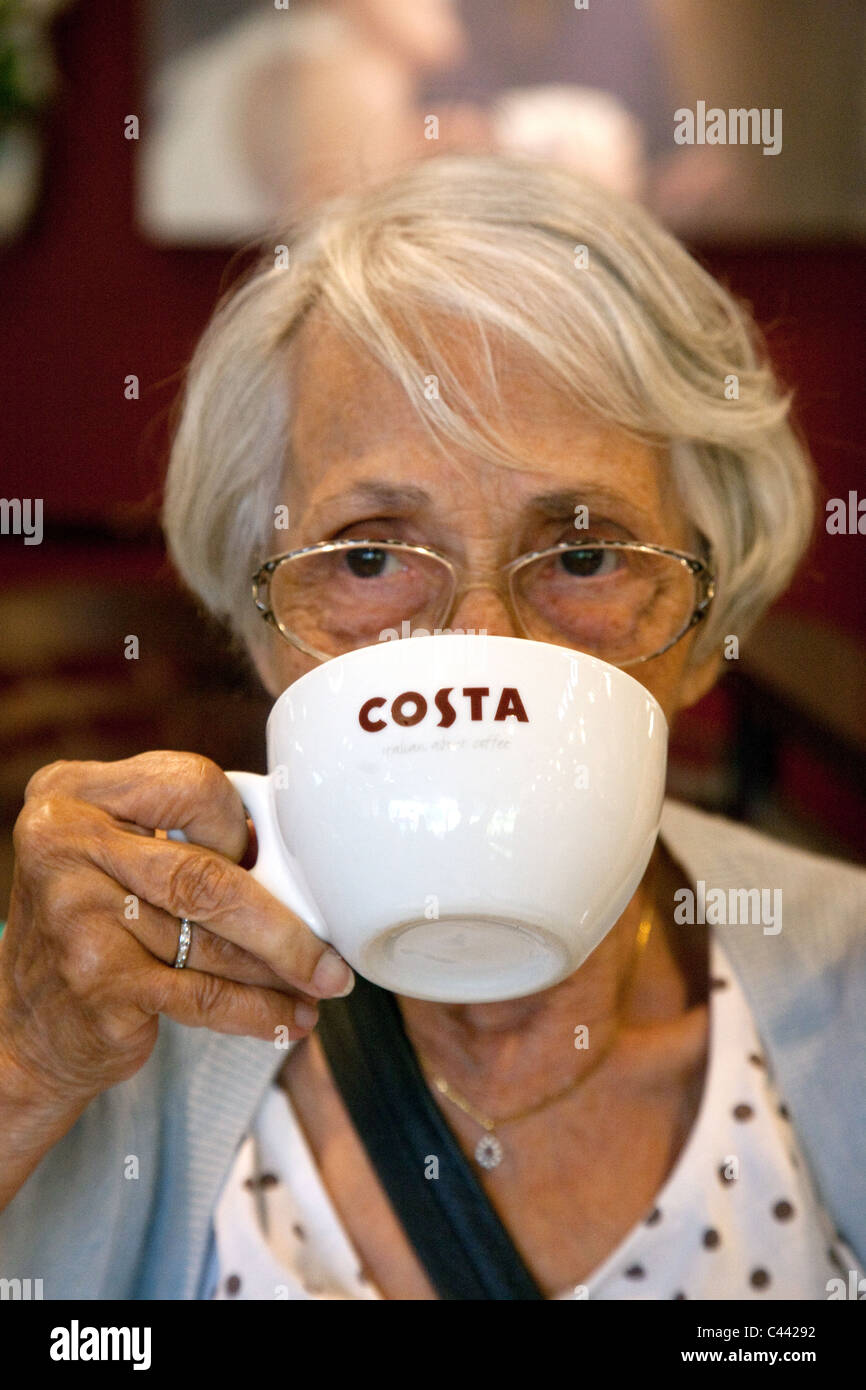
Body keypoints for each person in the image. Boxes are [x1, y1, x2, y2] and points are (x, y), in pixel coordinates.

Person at [1, 155, 863, 1300]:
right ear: (264, 631)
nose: (481, 644)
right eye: (365, 555)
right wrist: (22, 1069)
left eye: (585, 551)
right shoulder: (101, 1019)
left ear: (704, 630)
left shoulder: (845, 976)